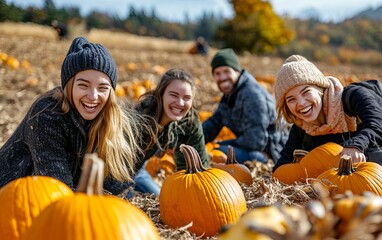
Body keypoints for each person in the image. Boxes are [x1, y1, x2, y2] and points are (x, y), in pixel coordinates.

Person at [0, 36, 147, 195]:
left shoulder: (108, 118)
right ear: (68, 87)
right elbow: (58, 190)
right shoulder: (47, 114)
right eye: (83, 85)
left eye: (103, 88)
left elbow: (116, 184)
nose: (93, 96)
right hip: (11, 202)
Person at [272, 54, 382, 171]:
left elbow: (377, 124)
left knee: (371, 156)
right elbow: (283, 162)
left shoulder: (354, 96)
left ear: (320, 88)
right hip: (340, 180)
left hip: (372, 170)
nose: (300, 103)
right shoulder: (301, 126)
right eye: (291, 99)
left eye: (306, 92)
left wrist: (357, 144)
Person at [202, 48, 286, 164]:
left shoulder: (252, 96)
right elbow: (214, 123)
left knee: (219, 152)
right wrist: (192, 139)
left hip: (271, 152)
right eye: (217, 73)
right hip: (253, 148)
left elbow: (256, 140)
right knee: (213, 151)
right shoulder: (230, 95)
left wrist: (218, 144)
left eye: (226, 71)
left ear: (237, 71)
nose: (222, 78)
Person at [134, 68, 209, 195]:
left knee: (161, 198)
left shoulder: (189, 122)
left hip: (139, 170)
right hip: (123, 171)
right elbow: (120, 167)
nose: (180, 103)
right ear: (161, 94)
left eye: (186, 98)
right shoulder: (142, 117)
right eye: (173, 95)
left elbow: (197, 168)